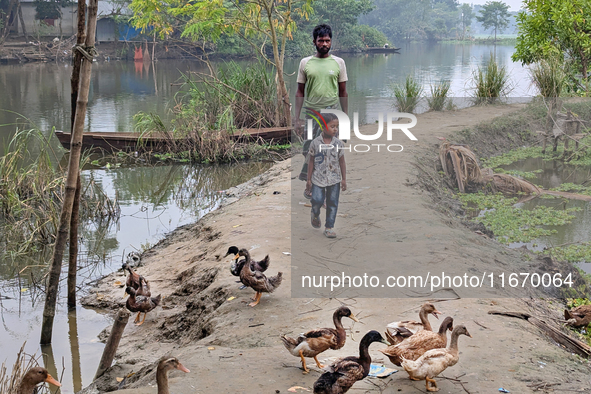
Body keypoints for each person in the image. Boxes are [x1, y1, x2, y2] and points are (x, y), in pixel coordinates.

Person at [295, 24, 348, 197]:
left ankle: (318, 189)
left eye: (327, 40)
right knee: (308, 149)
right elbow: (300, 92)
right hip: (311, 113)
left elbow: (343, 92)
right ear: (314, 42)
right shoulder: (305, 63)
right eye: (321, 40)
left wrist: (344, 118)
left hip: (331, 113)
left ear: (331, 41)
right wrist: (296, 118)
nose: (324, 44)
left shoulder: (339, 63)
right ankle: (310, 182)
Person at [305, 113, 346, 238]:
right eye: (332, 126)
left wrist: (344, 179)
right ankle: (315, 213)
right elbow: (311, 161)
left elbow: (342, 161)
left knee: (332, 203)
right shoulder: (315, 143)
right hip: (318, 178)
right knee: (317, 200)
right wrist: (308, 179)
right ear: (323, 127)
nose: (335, 129)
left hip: (334, 178)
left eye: (337, 126)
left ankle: (329, 227)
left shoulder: (338, 144)